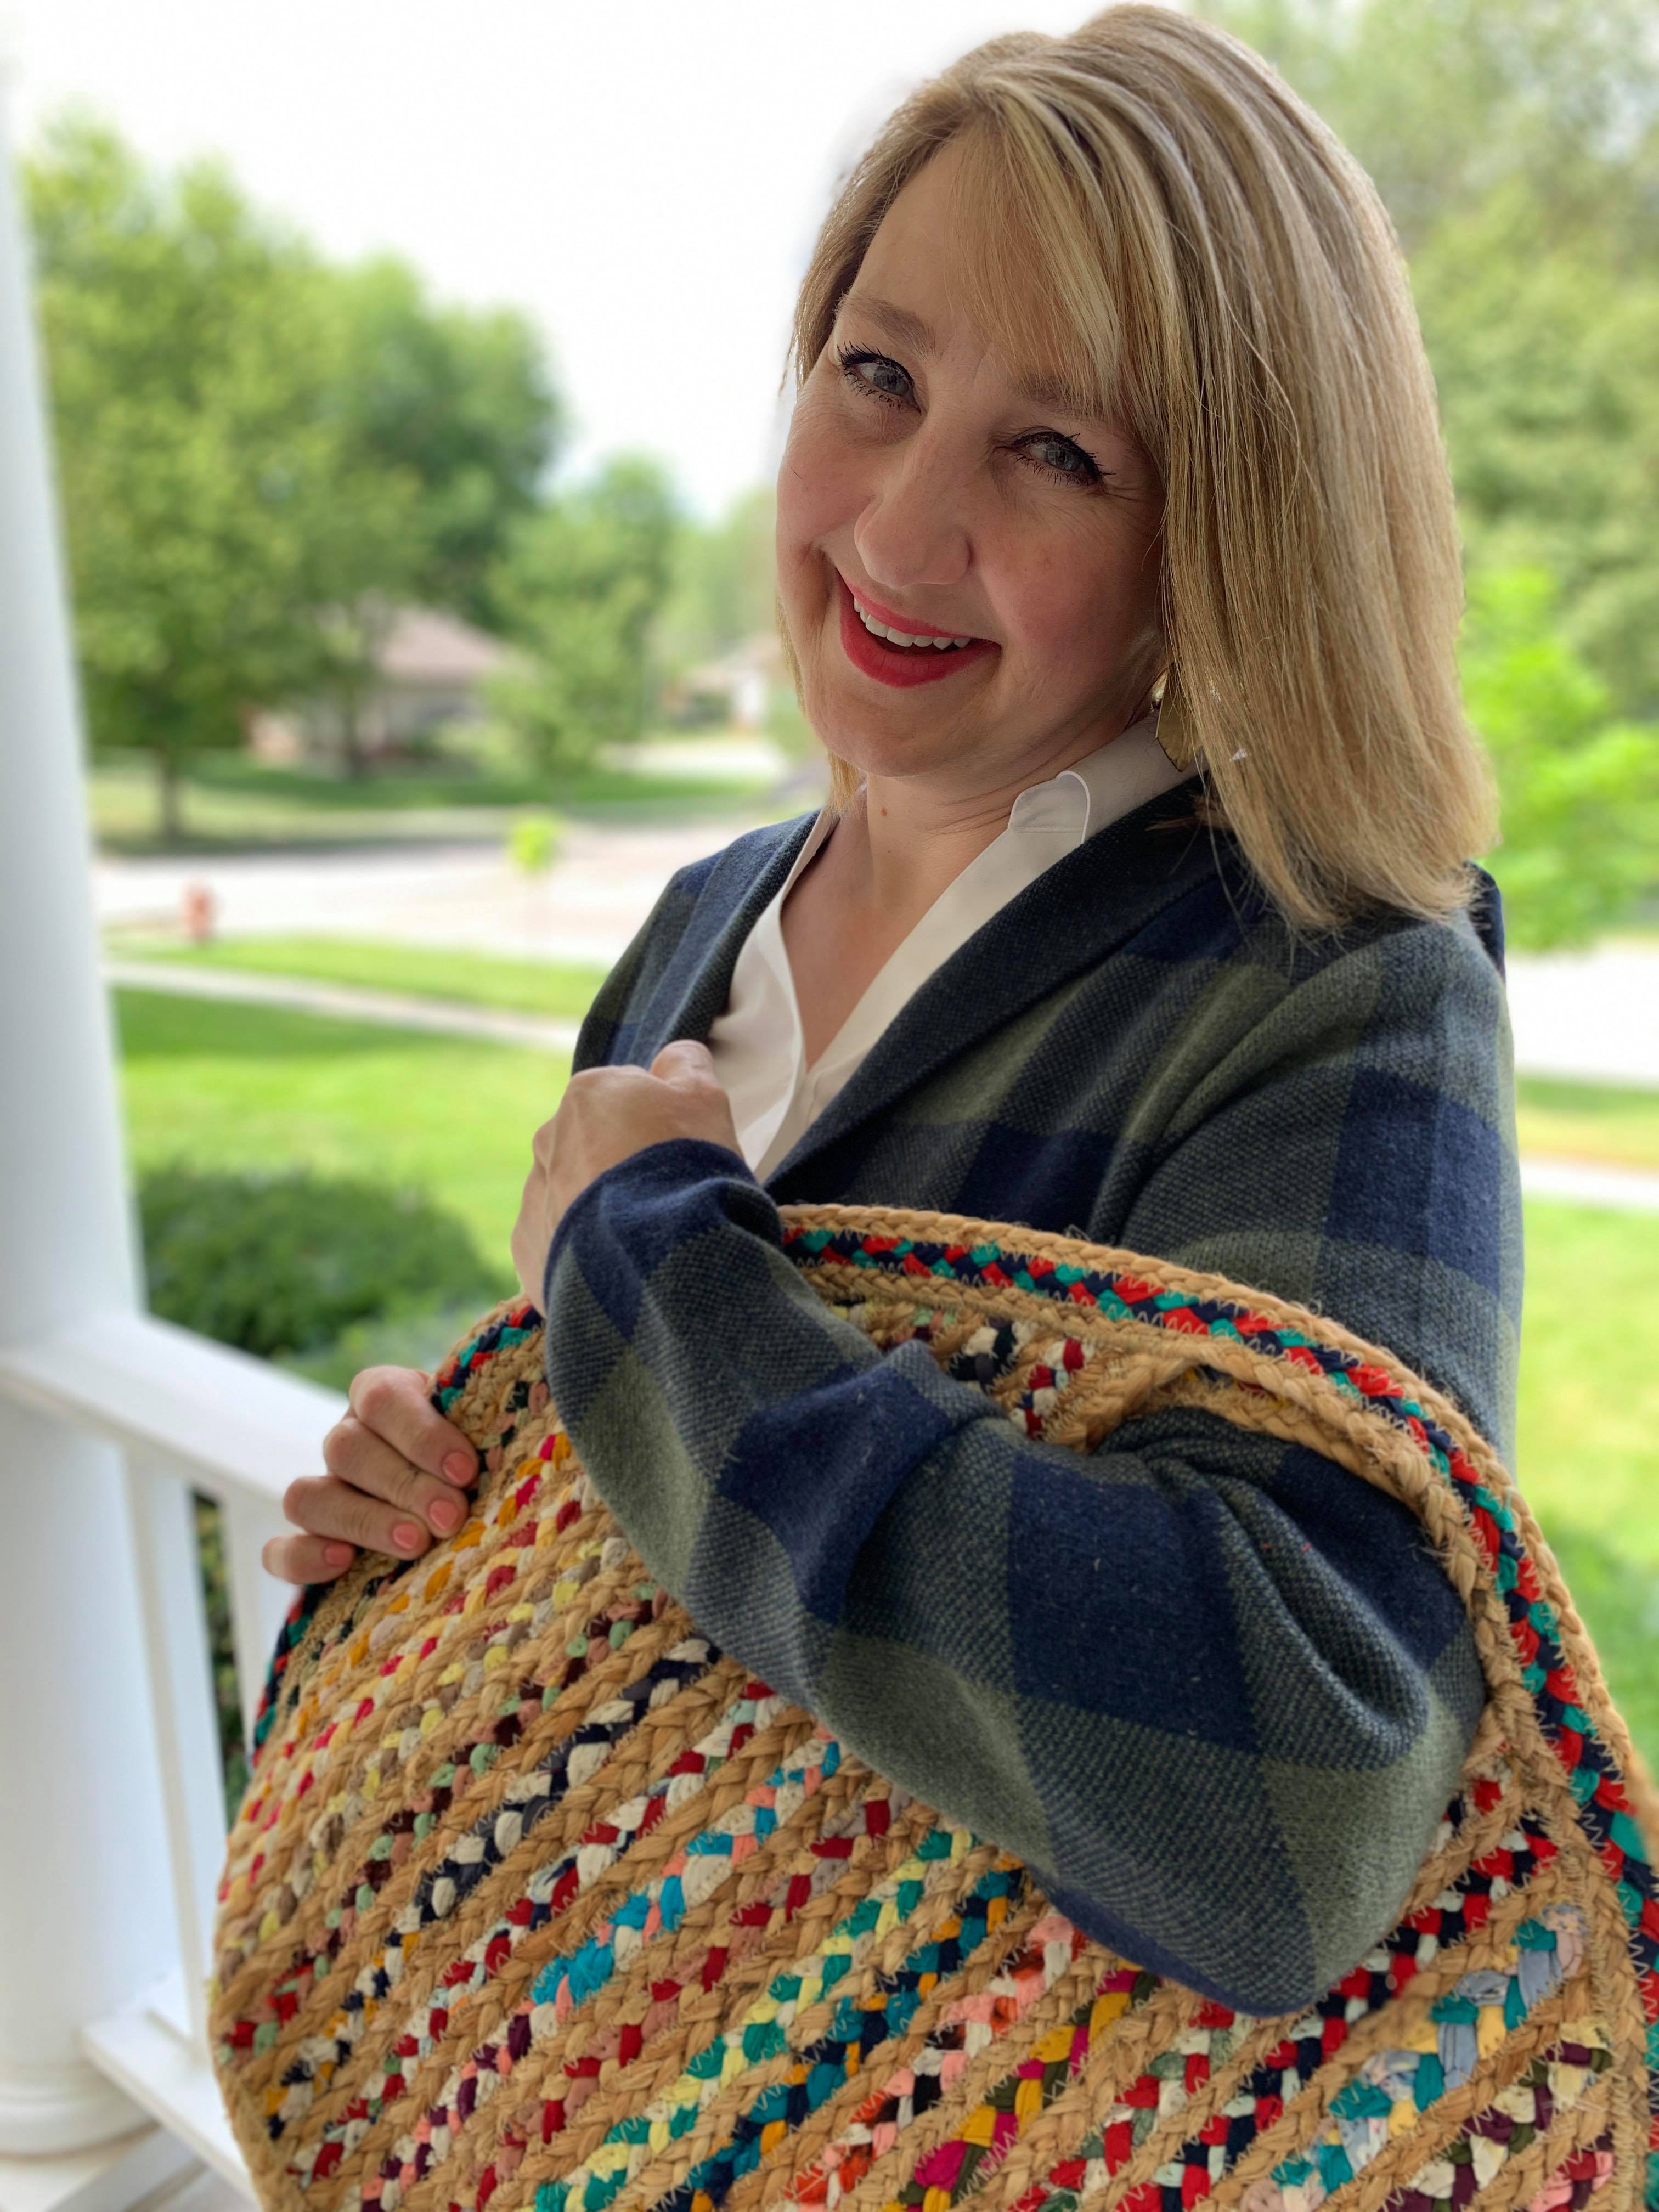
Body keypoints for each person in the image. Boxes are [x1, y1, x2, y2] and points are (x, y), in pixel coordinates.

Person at [261, 5, 1519, 2016]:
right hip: (611, 2086)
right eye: (878, 373)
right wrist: (451, 1492)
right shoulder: (702, 921)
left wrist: (657, 1287)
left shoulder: (1333, 986)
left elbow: (1300, 1808)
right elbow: (664, 1497)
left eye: (1056, 449)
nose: (898, 528)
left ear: (1223, 539)